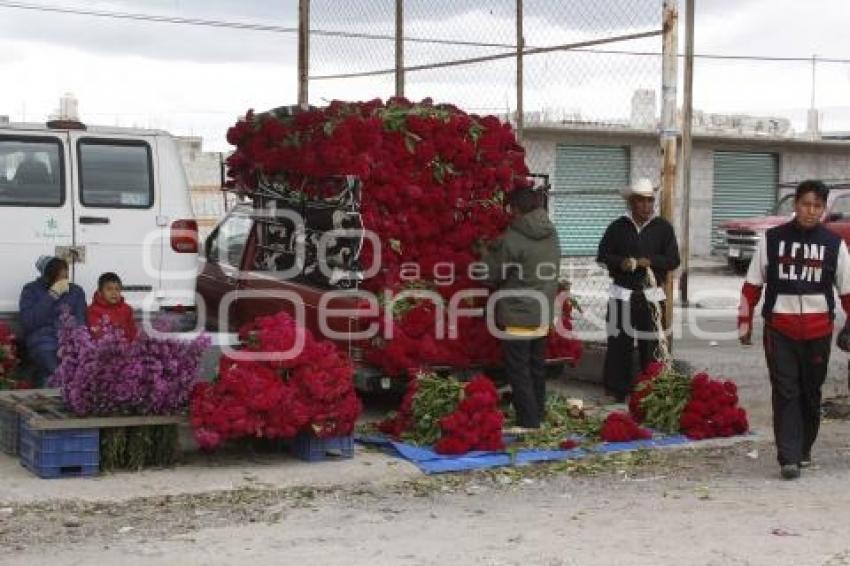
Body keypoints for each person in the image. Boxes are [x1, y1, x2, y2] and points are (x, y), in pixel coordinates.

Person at [738, 179, 850, 480]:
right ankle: (788, 456)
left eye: (817, 206)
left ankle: (804, 449)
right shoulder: (771, 240)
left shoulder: (834, 245)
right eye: (805, 204)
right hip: (779, 330)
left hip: (818, 331)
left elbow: (848, 293)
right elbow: (751, 285)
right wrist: (745, 321)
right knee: (785, 390)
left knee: (811, 393)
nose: (810, 211)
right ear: (794, 205)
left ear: (824, 209)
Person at [481, 186, 561, 430]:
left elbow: (491, 274)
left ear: (516, 209)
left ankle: (528, 422)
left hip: (518, 313)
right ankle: (537, 414)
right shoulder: (551, 233)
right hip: (542, 312)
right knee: (537, 367)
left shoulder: (512, 238)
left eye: (510, 209)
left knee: (518, 370)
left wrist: (485, 250)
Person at [596, 178, 680, 403]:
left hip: (651, 296)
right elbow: (602, 256)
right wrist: (621, 262)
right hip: (621, 293)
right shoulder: (617, 227)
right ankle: (616, 390)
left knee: (651, 343)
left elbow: (673, 260)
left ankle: (651, 390)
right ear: (631, 203)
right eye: (641, 201)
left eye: (650, 201)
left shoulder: (663, 228)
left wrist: (649, 261)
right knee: (618, 342)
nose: (646, 206)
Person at [18, 256, 86, 386]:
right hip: (42, 340)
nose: (63, 281)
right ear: (47, 277)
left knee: (79, 363)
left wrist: (69, 343)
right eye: (58, 278)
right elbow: (29, 323)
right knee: (53, 367)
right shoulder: (30, 290)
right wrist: (52, 295)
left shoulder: (76, 291)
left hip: (69, 340)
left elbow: (80, 321)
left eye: (65, 277)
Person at [87, 272, 137, 341]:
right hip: (102, 348)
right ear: (100, 292)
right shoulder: (93, 310)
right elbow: (96, 334)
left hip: (126, 348)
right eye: (109, 289)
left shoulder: (127, 309)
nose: (114, 293)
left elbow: (133, 333)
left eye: (117, 289)